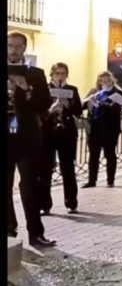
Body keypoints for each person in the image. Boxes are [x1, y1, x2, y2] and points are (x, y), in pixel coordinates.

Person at [7, 32, 55, 248]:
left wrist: (27, 90)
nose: (13, 50)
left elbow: (44, 103)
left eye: (17, 46)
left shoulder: (35, 73)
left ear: (24, 48)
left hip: (26, 137)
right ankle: (9, 229)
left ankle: (36, 233)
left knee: (29, 186)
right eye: (9, 46)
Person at [40, 63, 83, 215]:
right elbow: (39, 111)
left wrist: (67, 106)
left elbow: (79, 110)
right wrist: (51, 109)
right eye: (57, 73)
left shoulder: (72, 90)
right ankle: (45, 204)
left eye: (63, 73)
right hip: (48, 132)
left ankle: (71, 202)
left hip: (67, 133)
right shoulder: (44, 89)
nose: (60, 76)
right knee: (45, 168)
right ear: (52, 74)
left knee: (68, 168)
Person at [82, 71, 122, 189]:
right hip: (95, 127)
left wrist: (98, 105)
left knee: (109, 154)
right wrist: (86, 102)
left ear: (112, 80)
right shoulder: (95, 92)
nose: (105, 82)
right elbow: (83, 106)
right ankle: (92, 180)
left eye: (107, 80)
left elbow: (114, 109)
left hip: (109, 128)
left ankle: (110, 180)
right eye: (102, 80)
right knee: (93, 155)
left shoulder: (118, 92)